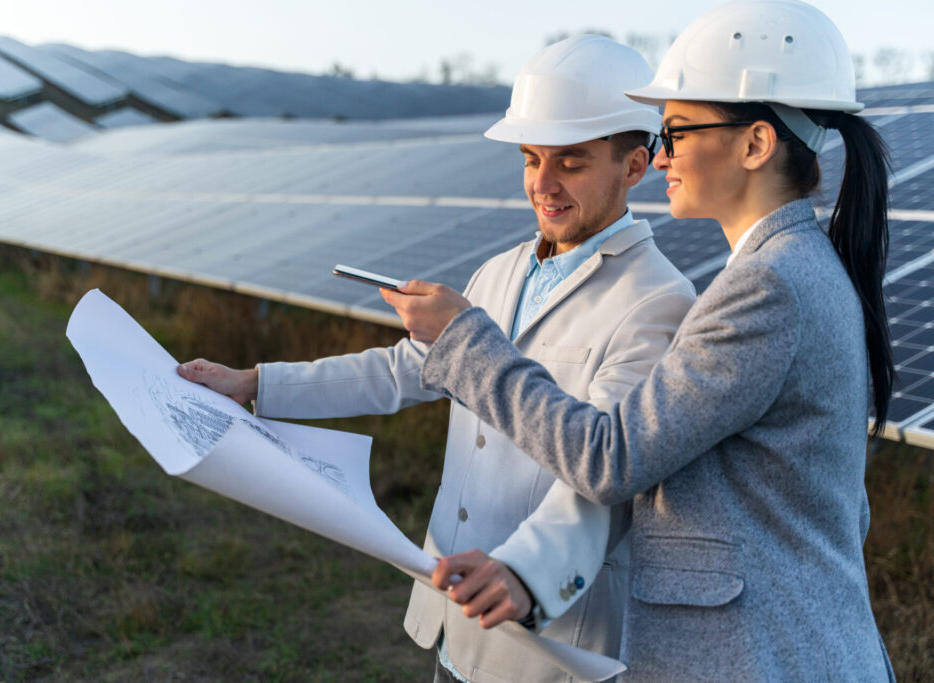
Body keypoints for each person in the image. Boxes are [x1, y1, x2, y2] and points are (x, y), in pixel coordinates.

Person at [381, 0, 897, 680]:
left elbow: (612, 457)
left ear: (755, 144)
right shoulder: (803, 267)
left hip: (756, 655)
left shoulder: (766, 287)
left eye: (676, 133)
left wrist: (466, 343)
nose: (660, 159)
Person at [178, 35, 695, 683]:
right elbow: (401, 369)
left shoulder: (660, 299)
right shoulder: (499, 271)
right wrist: (254, 382)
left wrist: (528, 572)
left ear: (635, 166)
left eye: (571, 161)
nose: (543, 182)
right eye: (531, 158)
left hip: (547, 632)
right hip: (453, 612)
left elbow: (612, 469)